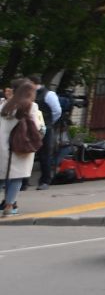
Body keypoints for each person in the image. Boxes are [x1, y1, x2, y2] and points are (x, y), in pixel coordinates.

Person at [3, 79, 46, 217]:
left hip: (2, 146)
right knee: (16, 177)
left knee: (3, 176)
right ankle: (9, 206)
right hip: (20, 145)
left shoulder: (3, 104)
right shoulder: (31, 106)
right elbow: (38, 126)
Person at [33, 76, 64, 189]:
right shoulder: (32, 93)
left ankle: (45, 180)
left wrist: (49, 123)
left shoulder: (48, 94)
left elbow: (57, 111)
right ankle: (24, 182)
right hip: (33, 128)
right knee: (31, 154)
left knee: (44, 155)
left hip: (45, 127)